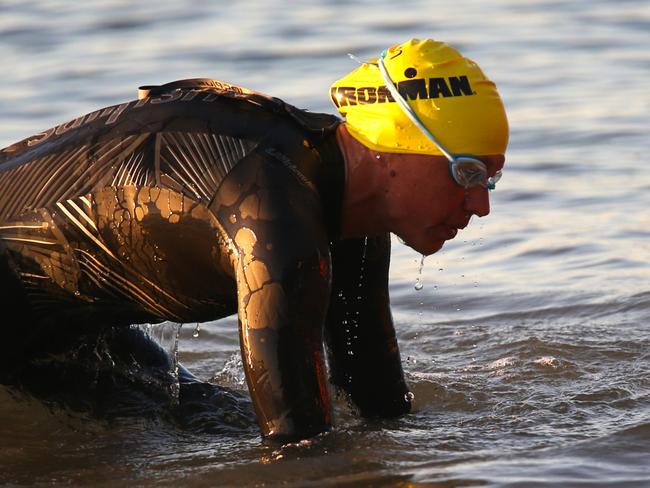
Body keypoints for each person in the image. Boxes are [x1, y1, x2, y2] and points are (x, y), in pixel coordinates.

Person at [0, 38, 508, 441]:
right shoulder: (273, 212)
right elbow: (296, 442)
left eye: (490, 180)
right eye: (464, 173)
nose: (480, 205)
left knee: (204, 424)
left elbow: (379, 401)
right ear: (391, 149)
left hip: (68, 326)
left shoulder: (356, 218)